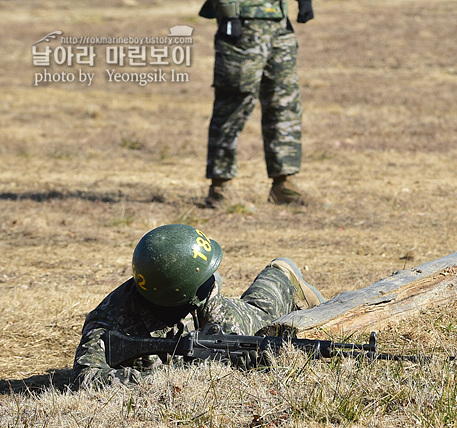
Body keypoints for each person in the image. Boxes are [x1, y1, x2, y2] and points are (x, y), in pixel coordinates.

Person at [71, 224, 325, 388]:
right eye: (204, 283)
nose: (211, 283)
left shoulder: (206, 290)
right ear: (179, 292)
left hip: (205, 320)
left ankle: (281, 273)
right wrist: (166, 379)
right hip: (183, 321)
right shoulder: (108, 322)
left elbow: (228, 338)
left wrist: (236, 360)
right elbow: (85, 380)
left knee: (261, 316)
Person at [200, 0, 315, 208]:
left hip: (279, 22)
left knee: (284, 102)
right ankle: (220, 186)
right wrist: (228, 12)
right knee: (233, 104)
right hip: (242, 21)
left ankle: (283, 182)